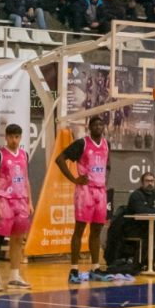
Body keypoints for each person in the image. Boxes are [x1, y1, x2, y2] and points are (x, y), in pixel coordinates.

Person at [56, 115, 111, 284]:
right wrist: (74, 179)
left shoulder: (106, 144)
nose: (98, 127)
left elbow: (108, 165)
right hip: (85, 191)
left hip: (100, 191)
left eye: (101, 124)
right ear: (89, 127)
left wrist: (104, 179)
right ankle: (74, 269)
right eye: (95, 124)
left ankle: (95, 268)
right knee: (79, 230)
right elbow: (60, 159)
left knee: (97, 231)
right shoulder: (82, 144)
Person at [0, 124, 33, 292]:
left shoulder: (24, 155)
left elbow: (26, 179)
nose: (14, 140)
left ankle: (14, 276)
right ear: (6, 137)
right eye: (11, 136)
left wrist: (29, 202)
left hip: (20, 201)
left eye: (17, 137)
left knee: (18, 240)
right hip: (4, 200)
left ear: (20, 137)